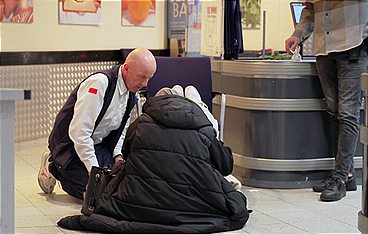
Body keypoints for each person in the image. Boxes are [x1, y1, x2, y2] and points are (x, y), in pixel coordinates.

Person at [57, 86, 250, 233]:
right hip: (193, 205)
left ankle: (172, 94)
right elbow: (225, 167)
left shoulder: (140, 124)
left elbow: (128, 157)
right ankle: (192, 98)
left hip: (135, 204)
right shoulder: (204, 129)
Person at [37, 48, 157, 200]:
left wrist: (118, 156)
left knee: (120, 183)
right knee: (95, 193)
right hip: (70, 147)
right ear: (126, 68)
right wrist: (93, 170)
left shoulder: (131, 94)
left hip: (98, 145)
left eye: (149, 78)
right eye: (142, 77)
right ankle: (52, 165)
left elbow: (121, 131)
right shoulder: (99, 83)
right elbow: (79, 133)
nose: (145, 84)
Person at [285, 1, 368, 201]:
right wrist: (298, 34)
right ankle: (344, 175)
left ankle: (340, 178)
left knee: (348, 113)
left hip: (353, 43)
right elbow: (311, 9)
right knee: (334, 111)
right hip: (324, 48)